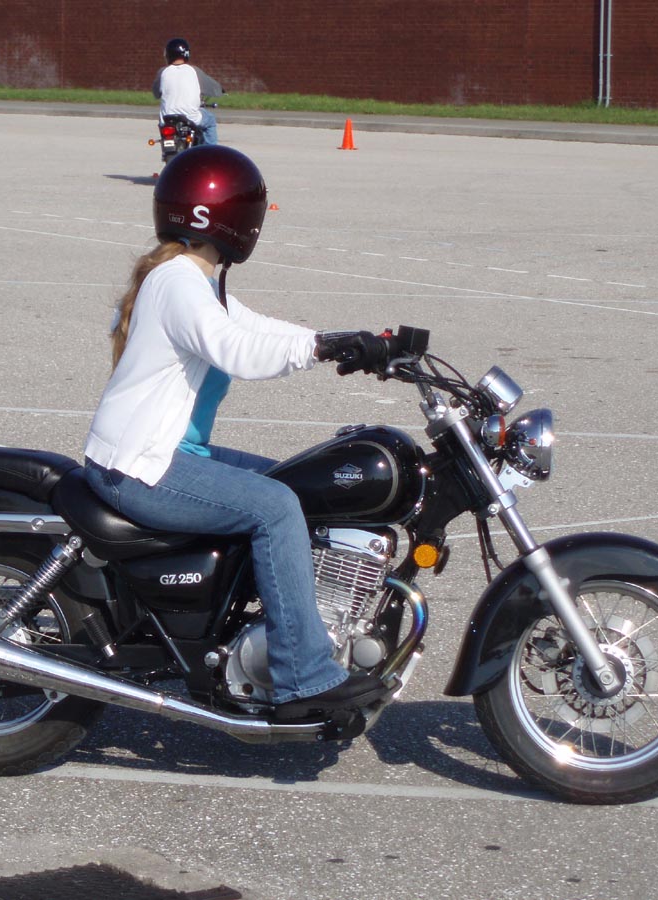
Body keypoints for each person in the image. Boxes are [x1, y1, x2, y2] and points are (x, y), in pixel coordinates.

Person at [83, 145, 391, 719]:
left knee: (296, 487)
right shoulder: (178, 282)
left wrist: (352, 340)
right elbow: (236, 349)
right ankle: (303, 677)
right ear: (233, 216)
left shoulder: (196, 281)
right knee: (276, 508)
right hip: (140, 466)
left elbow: (259, 328)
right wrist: (320, 349)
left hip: (167, 453)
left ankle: (271, 629)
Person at [152, 37, 223, 146]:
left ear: (168, 54)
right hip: (191, 117)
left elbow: (156, 93)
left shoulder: (162, 72)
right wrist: (221, 90)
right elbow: (212, 87)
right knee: (210, 121)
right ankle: (210, 152)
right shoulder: (194, 71)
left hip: (166, 120)